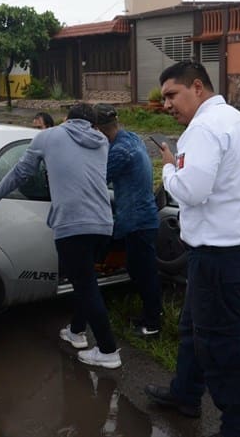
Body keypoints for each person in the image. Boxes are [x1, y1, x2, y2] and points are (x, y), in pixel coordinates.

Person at [144, 61, 240, 437]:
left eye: (171, 95)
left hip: (219, 256)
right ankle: (185, 393)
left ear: (197, 87)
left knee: (223, 346)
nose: (167, 105)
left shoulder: (203, 128)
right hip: (238, 249)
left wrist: (168, 169)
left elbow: (191, 191)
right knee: (195, 330)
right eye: (164, 97)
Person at [0, 103, 122, 369]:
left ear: (65, 119)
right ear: (92, 124)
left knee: (85, 285)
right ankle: (76, 332)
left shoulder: (48, 137)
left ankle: (108, 350)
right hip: (104, 223)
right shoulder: (101, 142)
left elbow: (21, 172)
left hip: (73, 224)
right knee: (87, 280)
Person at [93, 103, 163, 336]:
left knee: (144, 273)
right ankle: (150, 315)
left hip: (137, 221)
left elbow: (96, 181)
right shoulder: (131, 139)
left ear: (100, 130)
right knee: (141, 269)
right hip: (143, 217)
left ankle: (153, 323)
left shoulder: (119, 151)